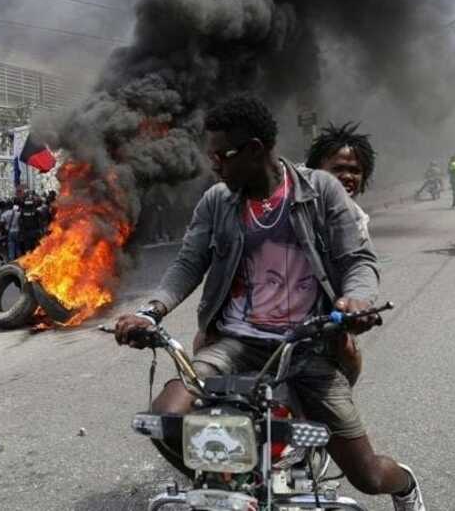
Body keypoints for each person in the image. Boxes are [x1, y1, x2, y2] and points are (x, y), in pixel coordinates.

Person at [114, 94, 425, 511]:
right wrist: (150, 311)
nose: (214, 165)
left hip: (307, 346)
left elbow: (358, 261)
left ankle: (404, 485)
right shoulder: (217, 201)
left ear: (255, 149)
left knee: (367, 476)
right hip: (235, 343)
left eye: (221, 155)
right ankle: (244, 484)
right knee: (168, 420)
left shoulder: (321, 190)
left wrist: (356, 300)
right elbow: (189, 262)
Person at [305, 122, 378, 385]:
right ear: (316, 172)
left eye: (355, 170)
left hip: (325, 314)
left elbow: (360, 264)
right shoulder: (292, 200)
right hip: (269, 311)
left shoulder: (357, 219)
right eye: (338, 169)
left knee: (348, 353)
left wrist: (356, 299)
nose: (347, 176)